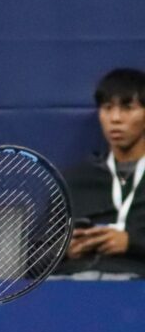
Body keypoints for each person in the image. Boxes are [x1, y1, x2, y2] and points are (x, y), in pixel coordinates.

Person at [56, 68, 145, 279]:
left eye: (127, 108)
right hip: (73, 285)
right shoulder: (74, 180)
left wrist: (130, 243)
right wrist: (64, 251)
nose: (115, 118)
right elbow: (32, 256)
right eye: (107, 108)